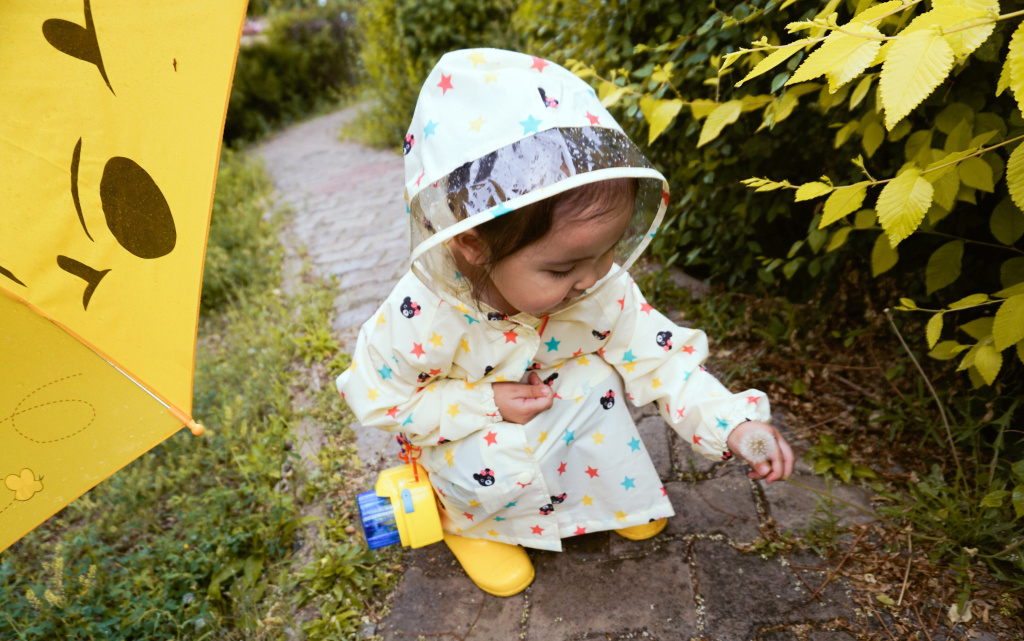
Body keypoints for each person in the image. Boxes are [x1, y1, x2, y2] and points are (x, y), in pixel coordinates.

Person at [336, 48, 794, 597]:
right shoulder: (421, 315)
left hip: (541, 422)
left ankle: (605, 496)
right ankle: (473, 527)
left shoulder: (596, 286)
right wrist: (486, 403)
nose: (590, 279)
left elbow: (662, 356)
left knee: (591, 381)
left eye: (606, 255)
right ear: (472, 243)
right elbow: (383, 401)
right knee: (480, 446)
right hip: (468, 440)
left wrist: (730, 423)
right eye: (561, 266)